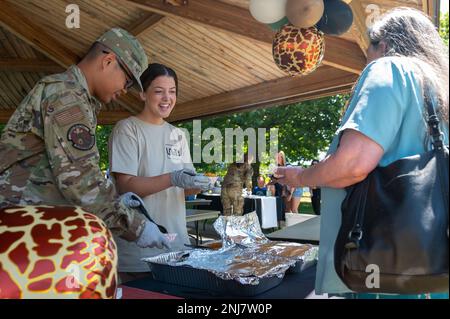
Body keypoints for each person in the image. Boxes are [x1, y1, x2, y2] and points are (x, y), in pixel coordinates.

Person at [274, 8, 448, 298]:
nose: (366, 59)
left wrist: (300, 177)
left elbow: (352, 165)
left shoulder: (389, 68)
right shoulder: (439, 87)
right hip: (437, 270)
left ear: (384, 45)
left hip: (383, 272)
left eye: (368, 49)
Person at [0, 28, 169, 249]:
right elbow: (81, 182)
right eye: (127, 81)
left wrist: (116, 203)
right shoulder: (66, 97)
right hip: (20, 231)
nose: (125, 90)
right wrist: (137, 227)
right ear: (108, 61)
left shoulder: (70, 95)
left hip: (29, 227)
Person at [108, 63, 210, 281]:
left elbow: (184, 189)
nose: (167, 98)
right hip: (139, 249)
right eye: (158, 91)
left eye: (172, 92)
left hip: (176, 246)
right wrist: (173, 178)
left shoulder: (178, 135)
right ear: (143, 94)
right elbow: (125, 187)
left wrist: (199, 184)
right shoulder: (128, 129)